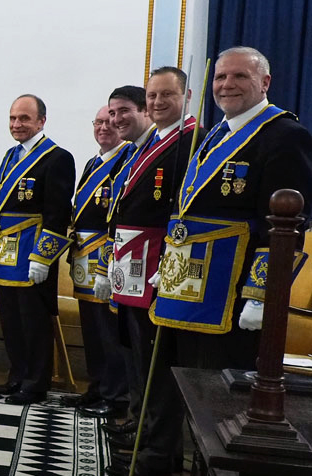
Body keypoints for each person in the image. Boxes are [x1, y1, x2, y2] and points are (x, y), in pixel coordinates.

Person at [136, 47, 312, 476]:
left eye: (238, 77)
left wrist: (260, 292)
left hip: (229, 295)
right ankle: (157, 462)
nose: (226, 85)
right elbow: (189, 213)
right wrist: (171, 261)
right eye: (220, 78)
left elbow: (287, 221)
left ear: (264, 83)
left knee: (212, 397)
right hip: (182, 287)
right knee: (166, 384)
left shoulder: (284, 135)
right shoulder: (214, 134)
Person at [92, 73, 202, 463]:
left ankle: (160, 447)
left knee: (155, 359)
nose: (157, 102)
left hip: (157, 262)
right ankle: (142, 426)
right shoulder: (153, 140)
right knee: (136, 353)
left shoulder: (192, 140)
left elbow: (183, 210)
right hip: (131, 262)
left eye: (165, 95)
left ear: (186, 96)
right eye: (153, 94)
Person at [0, 94, 74, 404]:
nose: (17, 124)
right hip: (6, 252)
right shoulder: (10, 155)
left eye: (24, 118)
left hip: (33, 253)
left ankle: (36, 382)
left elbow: (57, 212)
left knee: (33, 321)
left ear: (41, 121)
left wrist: (43, 257)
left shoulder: (57, 157)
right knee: (11, 320)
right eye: (12, 118)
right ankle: (17, 375)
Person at [61, 105, 133, 418]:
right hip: (83, 257)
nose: (104, 127)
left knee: (110, 331)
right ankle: (96, 386)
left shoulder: (128, 159)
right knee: (91, 328)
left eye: (110, 121)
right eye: (99, 122)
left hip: (107, 258)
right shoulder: (93, 162)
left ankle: (116, 396)